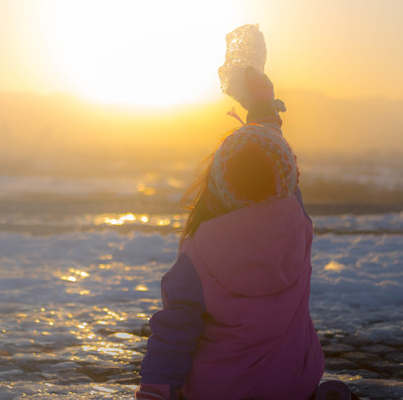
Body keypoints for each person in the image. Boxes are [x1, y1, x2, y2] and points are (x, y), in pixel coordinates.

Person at [135, 67, 355, 400]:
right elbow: (277, 171)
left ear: (218, 184)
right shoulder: (297, 224)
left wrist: (154, 393)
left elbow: (174, 336)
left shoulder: (199, 255)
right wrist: (264, 110)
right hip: (294, 386)